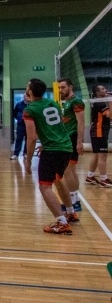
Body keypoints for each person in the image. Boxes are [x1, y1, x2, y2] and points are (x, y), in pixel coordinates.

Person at [23, 78, 77, 234]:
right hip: (66, 146)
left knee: (44, 186)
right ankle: (70, 212)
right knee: (58, 179)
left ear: (30, 91)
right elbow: (57, 126)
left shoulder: (30, 110)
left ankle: (62, 223)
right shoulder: (53, 103)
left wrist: (28, 161)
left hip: (53, 150)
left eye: (27, 86)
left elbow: (31, 138)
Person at [58, 77, 85, 211]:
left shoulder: (76, 101)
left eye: (63, 87)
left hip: (72, 138)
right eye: (59, 88)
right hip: (67, 138)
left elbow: (81, 122)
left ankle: (74, 202)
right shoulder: (67, 102)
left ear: (70, 87)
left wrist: (79, 141)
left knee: (67, 170)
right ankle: (76, 201)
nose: (60, 90)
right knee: (72, 170)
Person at [86, 84, 112, 188]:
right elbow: (111, 115)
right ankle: (104, 179)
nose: (105, 90)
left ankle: (90, 176)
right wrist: (110, 100)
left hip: (98, 131)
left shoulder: (97, 102)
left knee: (97, 155)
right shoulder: (100, 103)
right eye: (103, 89)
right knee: (102, 156)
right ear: (97, 93)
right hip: (99, 132)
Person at [10, 93, 30, 160]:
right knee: (19, 139)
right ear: (24, 97)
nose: (27, 97)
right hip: (21, 125)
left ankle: (26, 153)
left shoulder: (31, 105)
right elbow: (15, 114)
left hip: (29, 125)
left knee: (28, 139)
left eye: (28, 96)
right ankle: (16, 154)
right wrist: (19, 119)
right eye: (26, 96)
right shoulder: (19, 105)